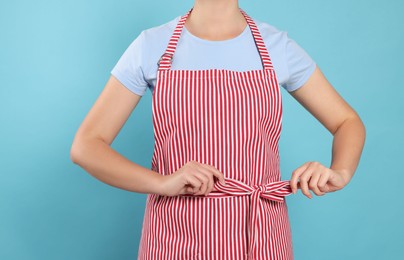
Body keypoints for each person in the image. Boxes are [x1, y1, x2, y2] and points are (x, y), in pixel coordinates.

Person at [70, 0, 366, 259]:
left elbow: (347, 123)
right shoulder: (151, 46)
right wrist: (161, 183)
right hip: (175, 237)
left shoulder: (277, 46)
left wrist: (340, 172)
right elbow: (86, 146)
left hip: (262, 236)